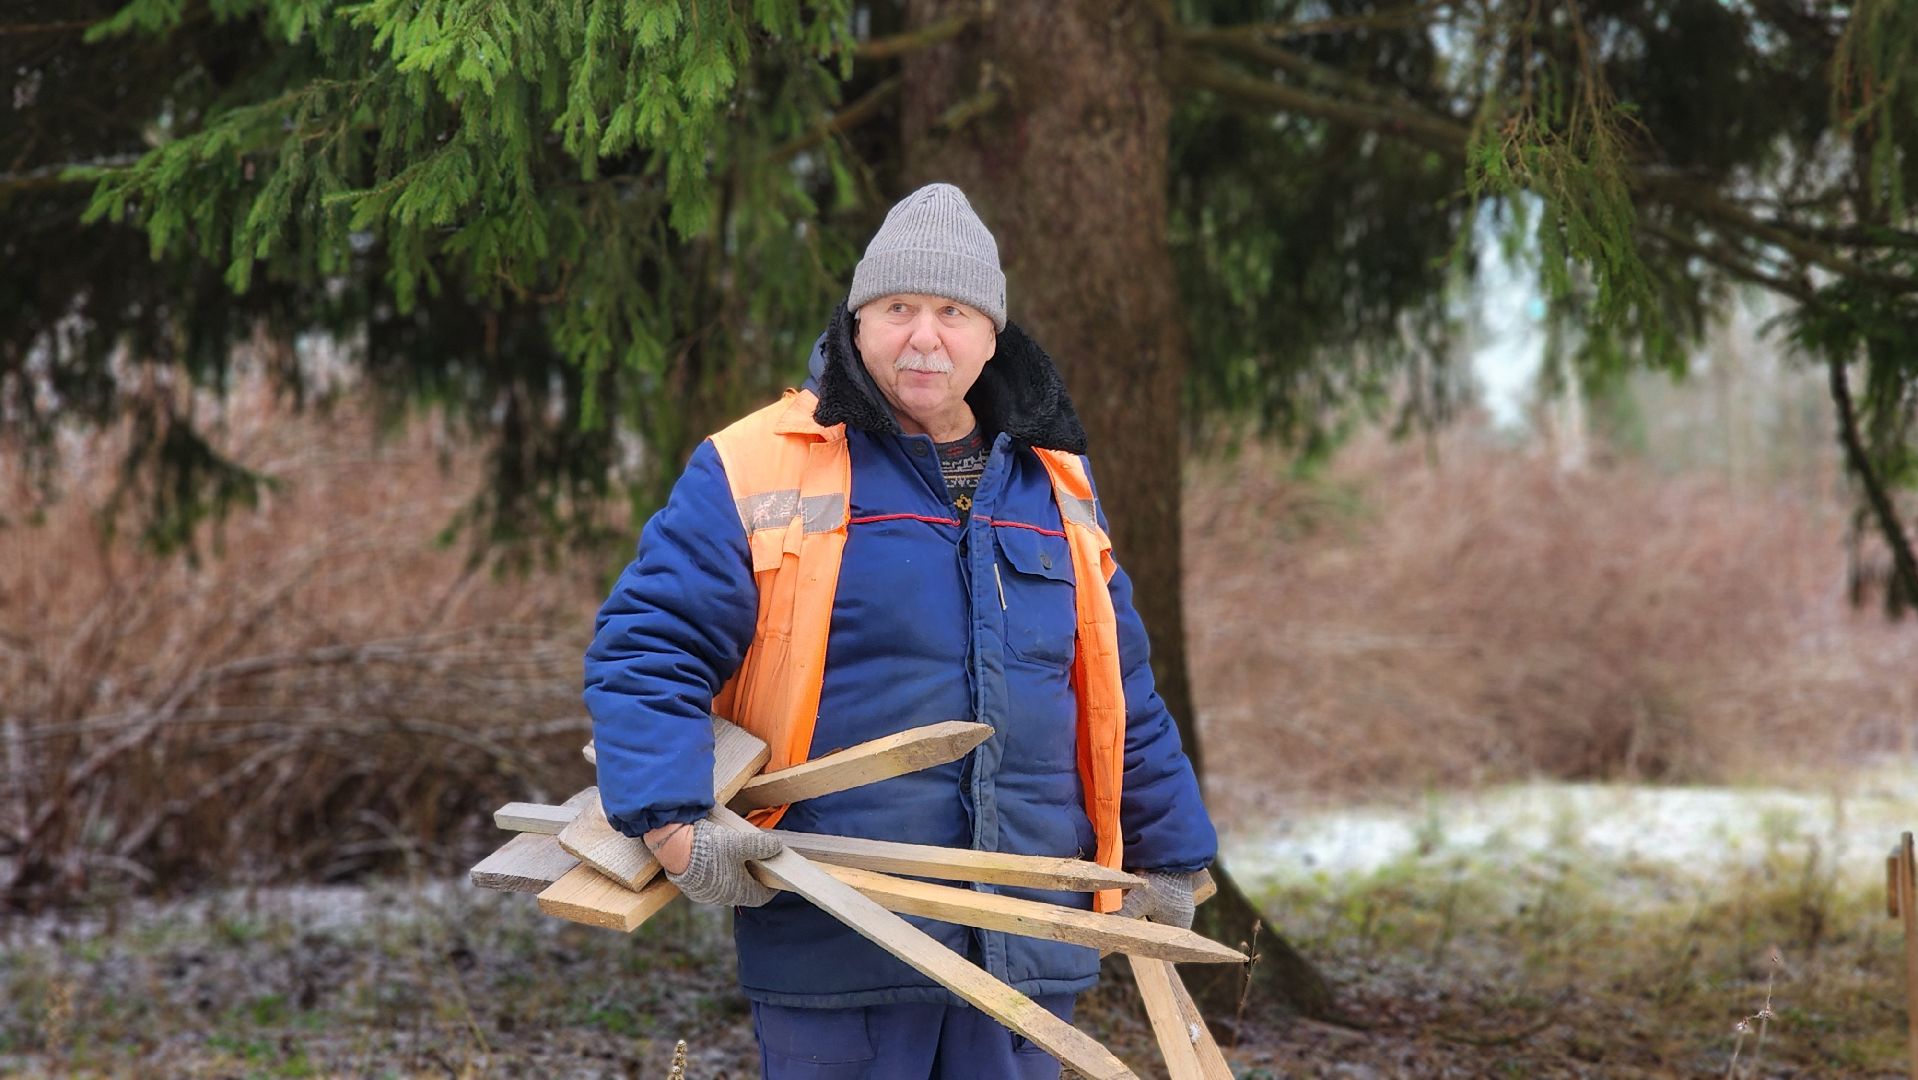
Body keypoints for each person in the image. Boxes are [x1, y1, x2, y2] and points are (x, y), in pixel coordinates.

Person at [583, 183, 1217, 1079]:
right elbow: (649, 647)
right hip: (839, 936)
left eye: (952, 312)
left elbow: (1119, 689)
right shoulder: (757, 463)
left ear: (991, 334)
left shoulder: (1056, 484)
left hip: (1027, 941)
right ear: (858, 321)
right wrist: (672, 821)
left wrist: (1169, 851)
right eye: (899, 309)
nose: (925, 337)